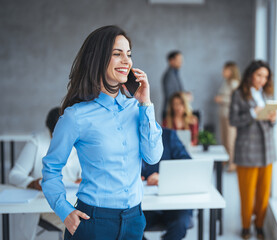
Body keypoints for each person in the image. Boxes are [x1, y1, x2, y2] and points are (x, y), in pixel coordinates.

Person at [41, 25, 163, 240]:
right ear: (98, 59)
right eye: (117, 54)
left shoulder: (137, 108)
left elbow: (153, 156)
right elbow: (51, 169)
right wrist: (64, 211)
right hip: (93, 224)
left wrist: (146, 103)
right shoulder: (76, 116)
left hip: (134, 220)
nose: (127, 61)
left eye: (129, 54)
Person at [8, 107, 81, 240]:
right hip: (46, 205)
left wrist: (83, 178)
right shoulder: (36, 143)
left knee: (91, 226)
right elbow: (15, 174)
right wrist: (33, 183)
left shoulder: (75, 139)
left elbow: (82, 170)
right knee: (77, 229)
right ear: (49, 130)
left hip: (72, 201)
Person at [229, 60, 276, 239]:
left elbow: (270, 123)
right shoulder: (239, 94)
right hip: (247, 150)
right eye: (259, 75)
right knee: (247, 192)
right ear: (250, 75)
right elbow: (233, 120)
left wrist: (273, 119)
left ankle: (259, 225)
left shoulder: (266, 94)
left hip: (267, 150)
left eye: (265, 77)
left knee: (264, 193)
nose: (262, 80)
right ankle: (246, 226)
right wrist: (252, 114)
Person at [142, 128, 192, 240]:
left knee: (180, 223)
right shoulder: (126, 138)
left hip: (172, 203)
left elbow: (187, 163)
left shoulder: (168, 135)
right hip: (142, 206)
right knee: (131, 226)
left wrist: (162, 176)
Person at [214, 61, 241, 172]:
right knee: (224, 139)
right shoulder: (226, 82)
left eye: (225, 69)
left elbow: (237, 100)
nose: (222, 71)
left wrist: (222, 99)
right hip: (223, 114)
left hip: (230, 116)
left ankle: (233, 163)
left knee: (230, 140)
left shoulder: (234, 83)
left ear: (231, 71)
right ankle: (226, 160)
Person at [162, 50, 192, 116]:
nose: (181, 62)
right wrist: (184, 97)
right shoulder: (169, 75)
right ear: (171, 61)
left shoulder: (175, 73)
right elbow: (171, 95)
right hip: (171, 112)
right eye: (179, 59)